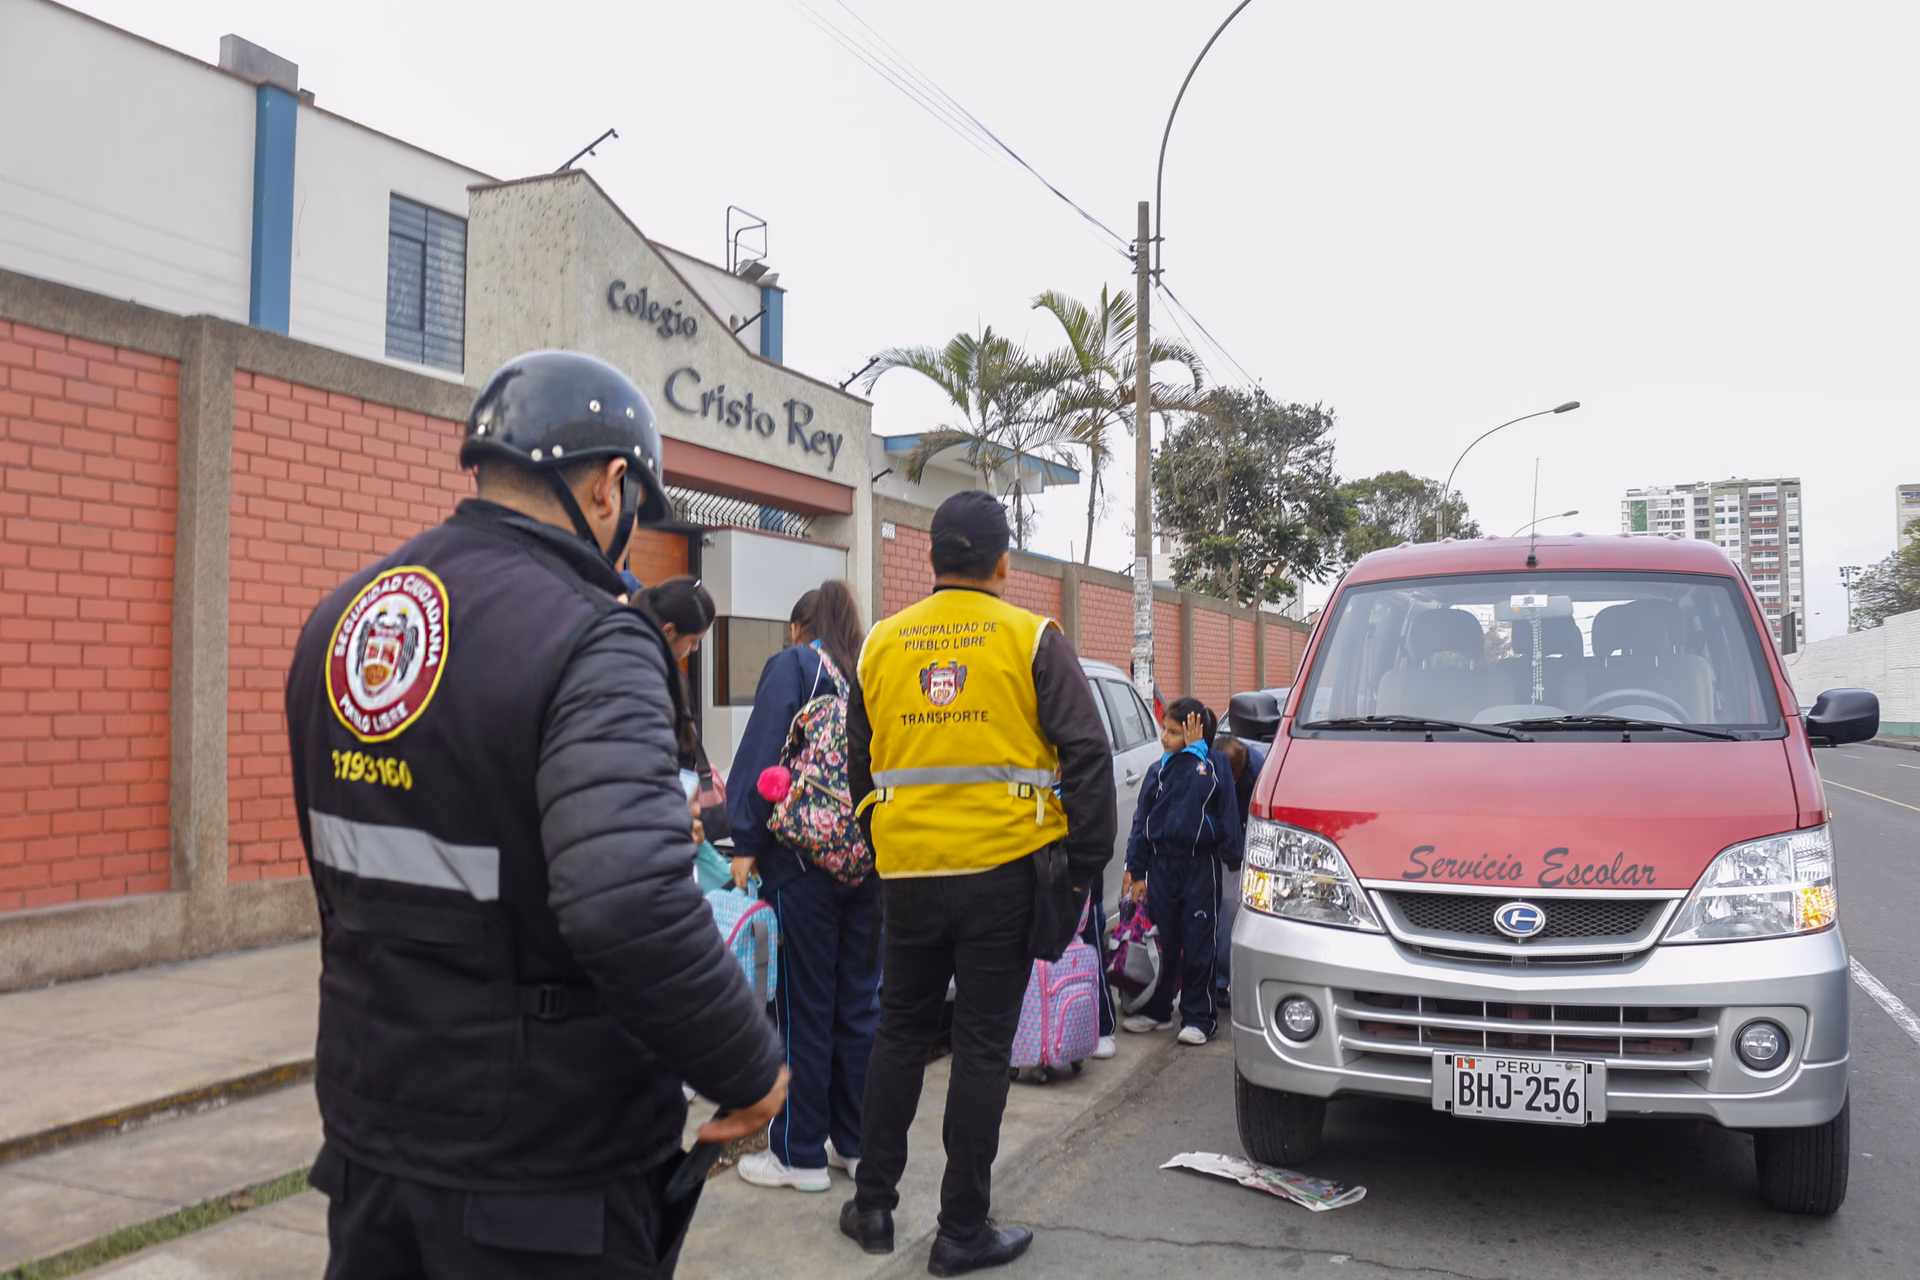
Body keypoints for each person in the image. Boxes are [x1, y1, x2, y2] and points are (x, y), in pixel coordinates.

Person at [284, 349, 788, 1278]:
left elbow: (337, 874)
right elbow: (629, 904)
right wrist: (751, 1064)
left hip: (371, 1137)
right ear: (609, 487)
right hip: (542, 1171)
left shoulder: (342, 620)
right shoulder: (596, 637)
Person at [843, 490, 1114, 1277]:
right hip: (1002, 875)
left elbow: (863, 770)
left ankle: (873, 1207)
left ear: (930, 559)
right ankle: (961, 1228)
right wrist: (1082, 873)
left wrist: (885, 840)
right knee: (982, 1046)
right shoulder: (1031, 638)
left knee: (898, 1036)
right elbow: (1088, 756)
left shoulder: (882, 645)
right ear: (1004, 563)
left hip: (909, 878)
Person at [723, 580, 882, 1194]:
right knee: (859, 1007)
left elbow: (762, 752)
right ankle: (855, 1145)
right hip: (866, 864)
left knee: (803, 1009)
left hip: (803, 866)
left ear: (801, 627)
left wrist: (746, 840)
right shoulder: (869, 674)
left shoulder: (797, 666)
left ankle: (797, 1155)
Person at [1119, 698, 1242, 1046]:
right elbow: (1142, 822)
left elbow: (1227, 815)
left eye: (1174, 731)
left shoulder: (1213, 764)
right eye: (1163, 729)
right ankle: (1158, 1010)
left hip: (1200, 866)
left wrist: (1233, 854)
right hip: (1161, 867)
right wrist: (1137, 869)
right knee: (1164, 939)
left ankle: (1199, 1017)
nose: (1164, 737)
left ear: (1195, 731)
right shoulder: (1159, 770)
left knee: (1199, 940)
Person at [1212, 735, 1265, 1009]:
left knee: (1233, 907)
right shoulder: (1215, 764)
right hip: (1224, 846)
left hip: (1248, 847)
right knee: (1223, 907)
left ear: (1234, 775)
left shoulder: (1260, 776)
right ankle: (1219, 980)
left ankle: (1225, 979)